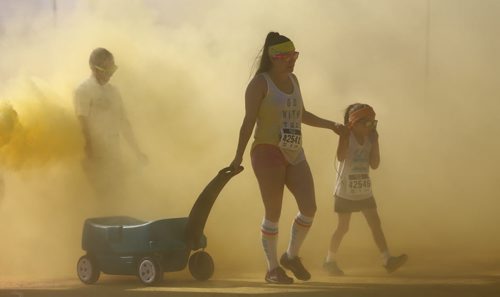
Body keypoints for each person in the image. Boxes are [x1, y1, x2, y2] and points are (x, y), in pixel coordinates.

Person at [229, 32, 344, 284]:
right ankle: (272, 269)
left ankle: (290, 256)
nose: (292, 61)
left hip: (294, 151)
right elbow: (248, 122)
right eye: (286, 57)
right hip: (267, 150)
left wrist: (331, 125)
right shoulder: (260, 84)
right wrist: (237, 157)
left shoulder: (294, 80)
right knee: (273, 211)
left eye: (294, 55)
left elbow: (301, 114)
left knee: (309, 207)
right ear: (273, 57)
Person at [323, 103, 407, 275]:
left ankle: (387, 259)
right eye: (367, 123)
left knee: (375, 224)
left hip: (364, 190)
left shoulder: (370, 139)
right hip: (346, 191)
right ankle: (329, 260)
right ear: (354, 123)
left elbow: (375, 165)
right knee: (343, 227)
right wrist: (343, 138)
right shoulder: (348, 137)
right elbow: (340, 156)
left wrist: (376, 143)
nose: (371, 127)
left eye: (373, 123)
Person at [74, 47, 147, 197]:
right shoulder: (83, 90)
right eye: (106, 69)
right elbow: (82, 123)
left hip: (114, 155)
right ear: (95, 68)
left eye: (112, 69)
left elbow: (124, 123)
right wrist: (91, 155)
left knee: (119, 195)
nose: (110, 74)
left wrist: (137, 151)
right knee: (103, 197)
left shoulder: (113, 92)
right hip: (96, 156)